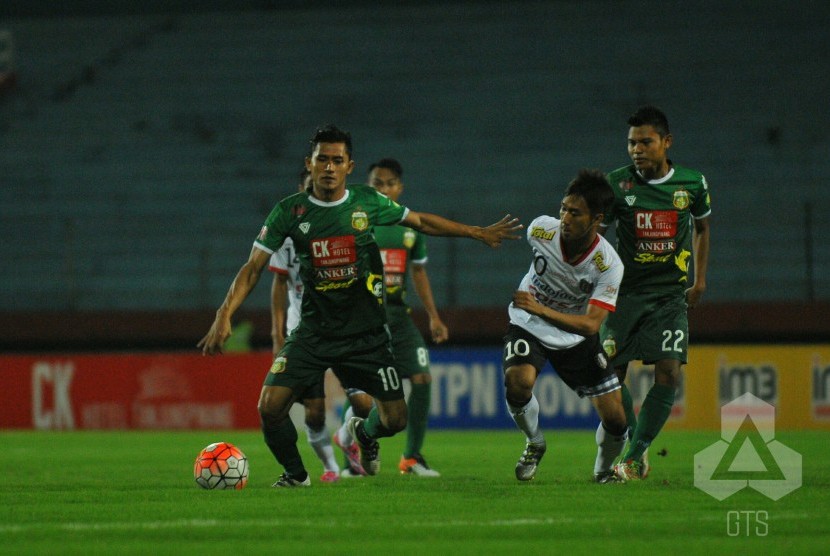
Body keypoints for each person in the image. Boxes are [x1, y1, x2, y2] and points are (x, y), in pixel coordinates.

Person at [198, 124, 521, 487]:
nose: (330, 167)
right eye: (323, 159)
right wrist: (223, 313)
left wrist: (475, 231)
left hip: (366, 334)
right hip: (313, 333)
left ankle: (364, 435)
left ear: (350, 166)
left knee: (395, 419)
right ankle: (296, 475)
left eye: (338, 160)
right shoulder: (290, 211)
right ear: (311, 162)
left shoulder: (367, 202)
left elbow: (420, 221)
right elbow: (253, 266)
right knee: (269, 408)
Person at [600, 105, 711, 481]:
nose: (637, 149)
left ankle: (634, 456)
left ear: (666, 142)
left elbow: (702, 228)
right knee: (610, 376)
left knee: (668, 371)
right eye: (631, 143)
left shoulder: (692, 184)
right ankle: (635, 438)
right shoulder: (616, 184)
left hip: (668, 295)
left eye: (645, 141)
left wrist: (699, 281)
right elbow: (597, 234)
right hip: (623, 295)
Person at [502, 168, 628, 484]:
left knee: (616, 419)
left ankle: (603, 470)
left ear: (597, 219)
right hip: (527, 323)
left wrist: (541, 308)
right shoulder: (540, 231)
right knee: (517, 381)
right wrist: (535, 310)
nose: (565, 218)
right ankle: (534, 442)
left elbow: (590, 324)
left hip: (575, 336)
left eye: (575, 213)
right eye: (563, 208)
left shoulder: (608, 265)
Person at [332, 158, 448, 478]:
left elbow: (419, 273)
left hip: (399, 317)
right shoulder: (356, 221)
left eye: (390, 183)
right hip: (365, 318)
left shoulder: (410, 228)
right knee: (360, 393)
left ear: (400, 188)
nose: (384, 189)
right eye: (377, 184)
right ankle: (352, 464)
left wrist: (434, 317)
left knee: (422, 378)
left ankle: (411, 459)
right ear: (367, 187)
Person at [268, 167, 341, 483]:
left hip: (343, 328)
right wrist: (277, 332)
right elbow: (278, 283)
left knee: (368, 404)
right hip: (305, 331)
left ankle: (356, 440)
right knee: (313, 411)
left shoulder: (341, 225)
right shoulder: (288, 233)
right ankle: (329, 468)